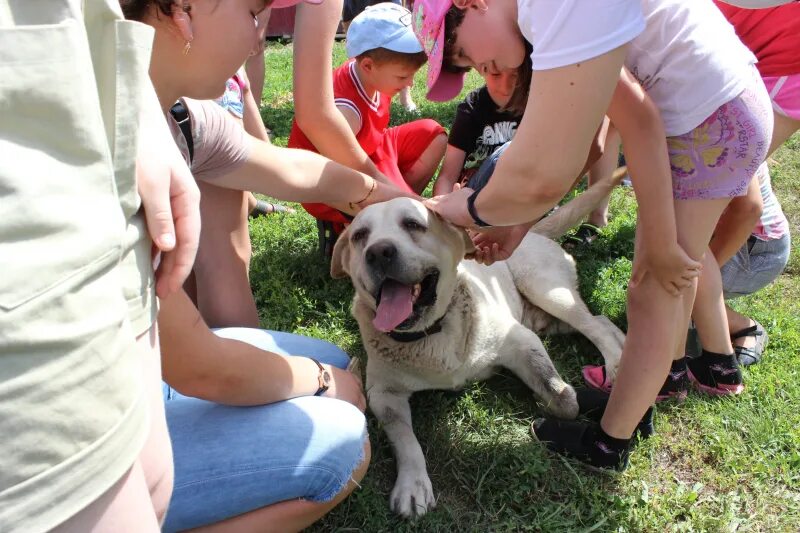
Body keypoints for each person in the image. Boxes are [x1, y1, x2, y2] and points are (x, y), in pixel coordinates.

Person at [415, 0, 772, 470]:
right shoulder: (541, 28)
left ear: (470, 2)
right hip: (705, 115)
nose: (483, 71)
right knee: (659, 280)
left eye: (465, 54)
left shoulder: (549, 11)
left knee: (653, 288)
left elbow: (630, 127)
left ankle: (609, 444)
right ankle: (658, 380)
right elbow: (594, 141)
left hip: (707, 121)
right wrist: (519, 226)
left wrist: (463, 206)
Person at [0, 0, 200, 530]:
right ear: (183, 14)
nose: (259, 38)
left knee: (152, 482)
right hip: (29, 209)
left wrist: (131, 106)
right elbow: (205, 364)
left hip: (87, 105)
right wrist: (319, 380)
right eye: (253, 14)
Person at [288, 2, 447, 253]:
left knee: (433, 135)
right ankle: (362, 223)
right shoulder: (346, 111)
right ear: (368, 66)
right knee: (405, 202)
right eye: (402, 77)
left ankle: (391, 218)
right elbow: (343, 172)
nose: (409, 83)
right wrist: (411, 200)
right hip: (333, 177)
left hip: (369, 148)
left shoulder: (372, 76)